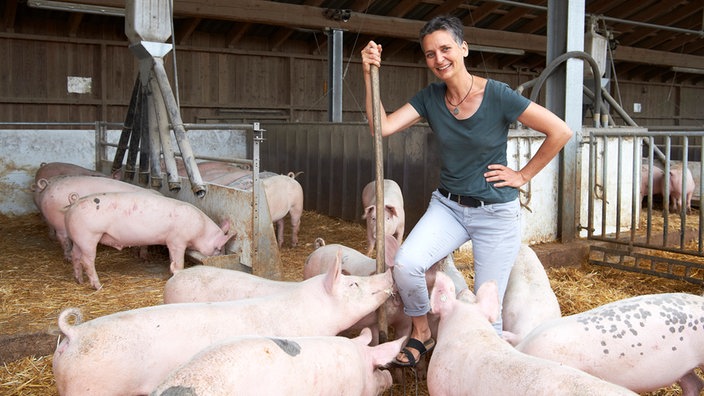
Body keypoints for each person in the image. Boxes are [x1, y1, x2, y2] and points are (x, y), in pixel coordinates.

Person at [360, 15, 573, 367]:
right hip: (449, 206)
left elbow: (560, 131)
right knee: (408, 265)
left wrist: (522, 175)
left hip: (495, 214)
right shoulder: (431, 97)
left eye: (445, 49)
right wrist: (369, 75)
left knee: (488, 308)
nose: (439, 59)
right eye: (430, 54)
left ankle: (485, 373)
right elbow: (381, 127)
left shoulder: (498, 95)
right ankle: (422, 331)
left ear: (463, 48)